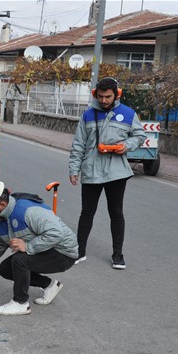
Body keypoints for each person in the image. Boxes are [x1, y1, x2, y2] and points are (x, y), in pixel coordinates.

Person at [0, 179, 78, 316]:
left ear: (2, 204)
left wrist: (29, 246)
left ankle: (20, 303)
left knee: (20, 260)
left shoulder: (27, 211)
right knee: (6, 269)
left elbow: (56, 233)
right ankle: (49, 285)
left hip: (64, 253)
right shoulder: (0, 220)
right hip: (46, 248)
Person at [68, 77, 146, 270]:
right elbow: (78, 144)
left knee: (116, 213)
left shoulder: (128, 114)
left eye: (108, 97)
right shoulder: (87, 115)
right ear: (96, 94)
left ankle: (118, 255)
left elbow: (140, 135)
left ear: (116, 94)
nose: (104, 100)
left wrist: (125, 146)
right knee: (87, 213)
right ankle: (80, 250)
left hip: (116, 173)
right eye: (101, 96)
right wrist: (74, 169)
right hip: (91, 171)